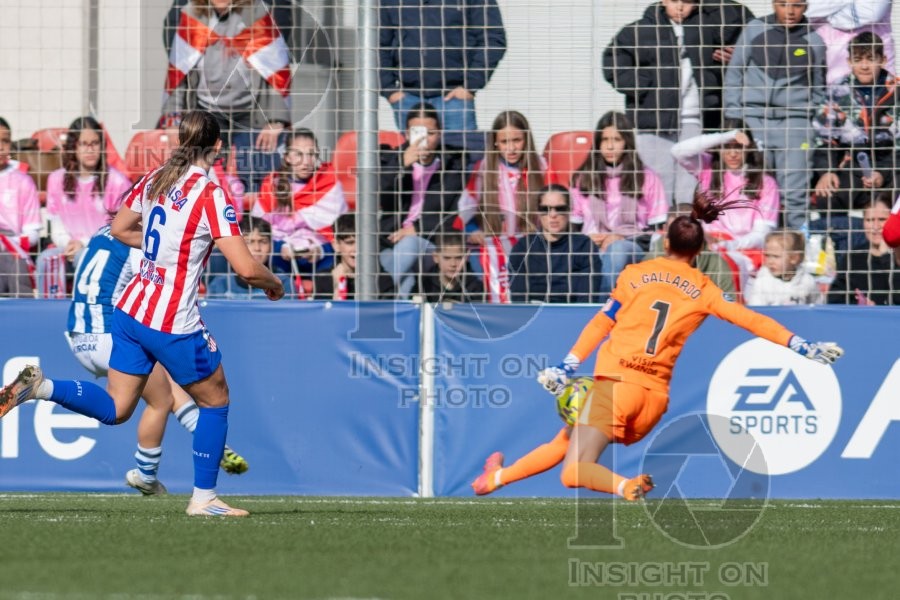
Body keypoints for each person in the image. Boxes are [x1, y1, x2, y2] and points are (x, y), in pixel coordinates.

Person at [0, 111, 285, 516]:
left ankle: (42, 388)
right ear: (218, 147)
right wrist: (274, 283)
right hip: (172, 320)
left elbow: (118, 229)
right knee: (215, 399)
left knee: (117, 408)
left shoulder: (156, 177)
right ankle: (203, 499)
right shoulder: (210, 193)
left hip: (131, 311)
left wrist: (162, 249)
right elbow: (245, 269)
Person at [474, 193, 843, 501]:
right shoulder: (705, 289)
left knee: (573, 471)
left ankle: (626, 486)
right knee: (566, 439)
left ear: (664, 242)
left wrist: (567, 365)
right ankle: (495, 479)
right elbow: (750, 320)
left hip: (616, 388)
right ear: (700, 249)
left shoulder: (634, 274)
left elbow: (602, 322)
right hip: (652, 404)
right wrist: (800, 344)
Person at [67, 225, 249, 495]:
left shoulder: (101, 232)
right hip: (108, 334)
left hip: (77, 334)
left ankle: (210, 442)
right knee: (160, 399)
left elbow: (85, 263)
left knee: (165, 385)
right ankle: (146, 474)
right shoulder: (138, 242)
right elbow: (157, 284)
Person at [603, 0, 754, 206]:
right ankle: (658, 229)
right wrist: (647, 87)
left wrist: (736, 55)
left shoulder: (709, 25)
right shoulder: (640, 30)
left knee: (691, 181)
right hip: (653, 119)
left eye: (688, 1)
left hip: (697, 118)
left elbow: (748, 29)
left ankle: (686, 230)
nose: (681, 7)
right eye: (675, 1)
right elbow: (613, 64)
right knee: (657, 180)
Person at [161, 0, 293, 191]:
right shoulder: (191, 15)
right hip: (206, 108)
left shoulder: (255, 13)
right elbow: (179, 72)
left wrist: (275, 119)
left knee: (256, 171)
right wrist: (173, 118)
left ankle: (252, 219)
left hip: (251, 111)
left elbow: (274, 68)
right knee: (203, 173)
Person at [724, 0, 827, 229]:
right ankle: (754, 250)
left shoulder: (815, 41)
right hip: (752, 120)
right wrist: (735, 122)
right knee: (751, 188)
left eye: (797, 5)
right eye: (783, 4)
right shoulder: (754, 29)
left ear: (806, 6)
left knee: (795, 194)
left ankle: (796, 250)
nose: (790, 11)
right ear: (773, 3)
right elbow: (734, 73)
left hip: (795, 125)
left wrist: (808, 120)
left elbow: (819, 88)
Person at [671, 119, 781, 289]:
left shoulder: (766, 183)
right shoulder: (707, 169)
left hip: (742, 252)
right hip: (705, 245)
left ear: (749, 148)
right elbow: (678, 151)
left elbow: (761, 234)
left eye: (738, 147)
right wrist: (726, 136)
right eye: (727, 147)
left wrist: (728, 245)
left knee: (723, 266)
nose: (733, 154)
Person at [569, 112, 668, 299]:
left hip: (632, 245)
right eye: (604, 139)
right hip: (591, 244)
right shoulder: (583, 178)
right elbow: (572, 228)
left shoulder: (647, 177)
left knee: (617, 251)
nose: (610, 146)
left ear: (627, 142)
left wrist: (618, 237)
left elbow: (656, 231)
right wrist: (590, 240)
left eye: (617, 139)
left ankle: (601, 308)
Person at [378, 0, 507, 137]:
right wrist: (389, 90)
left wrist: (470, 85)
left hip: (455, 99)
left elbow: (493, 39)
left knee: (460, 155)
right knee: (417, 156)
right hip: (409, 99)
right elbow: (377, 45)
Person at [38, 116, 133, 298]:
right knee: (46, 259)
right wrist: (68, 244)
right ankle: (48, 311)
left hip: (103, 248)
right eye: (84, 144)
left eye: (95, 143)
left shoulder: (117, 181)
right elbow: (56, 224)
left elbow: (119, 230)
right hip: (68, 246)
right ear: (74, 147)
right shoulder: (56, 179)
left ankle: (86, 317)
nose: (90, 149)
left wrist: (84, 243)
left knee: (85, 258)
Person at [812, 32, 899, 226]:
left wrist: (882, 173)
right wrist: (827, 171)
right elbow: (824, 137)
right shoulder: (838, 90)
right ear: (850, 62)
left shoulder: (897, 91)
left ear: (883, 60)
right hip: (853, 166)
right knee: (828, 194)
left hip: (892, 166)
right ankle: (839, 250)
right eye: (858, 60)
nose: (865, 66)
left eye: (871, 59)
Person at [378, 103, 465, 298]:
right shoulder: (389, 160)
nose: (424, 139)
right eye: (418, 132)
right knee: (406, 277)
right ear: (407, 134)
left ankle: (376, 297)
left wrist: (416, 229)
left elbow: (454, 216)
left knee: (411, 245)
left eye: (431, 133)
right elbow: (372, 196)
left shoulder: (453, 166)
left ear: (440, 133)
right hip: (391, 243)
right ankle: (401, 314)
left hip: (430, 241)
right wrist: (400, 165)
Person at [459, 110, 545, 303]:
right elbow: (465, 209)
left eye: (517, 140)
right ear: (495, 143)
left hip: (531, 243)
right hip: (492, 242)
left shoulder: (542, 167)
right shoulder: (483, 169)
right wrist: (473, 230)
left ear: (526, 140)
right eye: (505, 142)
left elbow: (555, 208)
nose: (512, 148)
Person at [252, 129, 347, 277]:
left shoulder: (330, 183)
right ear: (287, 157)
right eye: (298, 154)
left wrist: (320, 251)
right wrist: (279, 248)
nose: (306, 162)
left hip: (322, 256)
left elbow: (341, 232)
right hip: (279, 256)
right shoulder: (271, 184)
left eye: (311, 154)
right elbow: (258, 229)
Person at [508, 184, 600, 303]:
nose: (553, 215)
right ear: (538, 212)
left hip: (572, 314)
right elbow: (519, 298)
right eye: (545, 209)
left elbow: (588, 297)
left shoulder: (584, 246)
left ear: (569, 210)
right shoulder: (523, 247)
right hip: (534, 314)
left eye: (560, 209)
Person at [644, 204, 739, 298]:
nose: (681, 238)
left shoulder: (717, 265)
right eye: (675, 232)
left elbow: (730, 307)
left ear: (700, 232)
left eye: (688, 232)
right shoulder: (650, 262)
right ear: (665, 230)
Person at [828, 194, 900, 305]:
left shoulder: (897, 258)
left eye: (882, 219)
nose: (875, 227)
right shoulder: (853, 257)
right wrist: (859, 305)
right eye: (870, 220)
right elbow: (834, 298)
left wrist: (886, 256)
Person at [807, 0, 894, 84]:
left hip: (876, 73)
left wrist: (827, 15)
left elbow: (871, 12)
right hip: (823, 71)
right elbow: (803, 8)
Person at [0, 117, 40, 297]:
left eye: (5, 141)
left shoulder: (23, 181)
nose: (1, 147)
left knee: (14, 264)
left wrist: (7, 243)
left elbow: (32, 234)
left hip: (13, 247)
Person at [312, 214, 394, 300]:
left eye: (362, 243)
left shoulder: (382, 280)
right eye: (350, 243)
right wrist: (338, 287)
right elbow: (324, 313)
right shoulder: (324, 278)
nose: (357, 249)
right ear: (336, 245)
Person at [207, 217, 293, 299]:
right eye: (249, 242)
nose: (257, 248)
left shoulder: (283, 282)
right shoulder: (221, 284)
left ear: (271, 245)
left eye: (263, 241)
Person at [746, 229, 823, 305]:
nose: (770, 261)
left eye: (776, 256)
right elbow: (756, 311)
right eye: (767, 255)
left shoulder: (807, 281)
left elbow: (817, 307)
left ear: (794, 258)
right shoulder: (762, 282)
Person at [410, 234, 484, 303]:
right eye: (447, 258)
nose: (453, 264)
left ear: (466, 257)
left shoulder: (475, 287)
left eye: (458, 258)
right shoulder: (424, 285)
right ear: (436, 257)